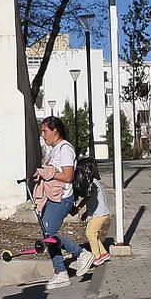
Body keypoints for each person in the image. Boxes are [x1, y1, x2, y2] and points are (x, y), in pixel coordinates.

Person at [35, 116, 94, 290]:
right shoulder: (54, 150)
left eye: (45, 131)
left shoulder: (65, 149)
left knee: (49, 232)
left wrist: (49, 174)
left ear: (55, 131)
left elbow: (67, 176)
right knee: (46, 233)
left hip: (62, 198)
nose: (43, 135)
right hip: (53, 197)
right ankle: (60, 272)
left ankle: (81, 254)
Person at [75, 166, 121, 266]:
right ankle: (103, 253)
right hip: (99, 212)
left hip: (100, 213)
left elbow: (87, 198)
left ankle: (97, 257)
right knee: (93, 233)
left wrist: (78, 208)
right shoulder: (94, 181)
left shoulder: (92, 183)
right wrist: (86, 212)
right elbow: (93, 200)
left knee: (90, 233)